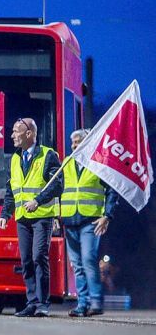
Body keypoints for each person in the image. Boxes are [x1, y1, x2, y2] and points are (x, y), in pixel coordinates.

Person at [0, 117, 62, 317]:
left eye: (16, 131)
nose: (12, 135)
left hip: (42, 215)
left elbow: (57, 185)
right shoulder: (14, 158)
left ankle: (42, 303)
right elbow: (11, 189)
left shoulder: (49, 155)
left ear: (29, 134)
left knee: (38, 257)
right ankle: (32, 302)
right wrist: (5, 213)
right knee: (26, 261)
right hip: (22, 217)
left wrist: (38, 201)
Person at [62, 128, 117, 317]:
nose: (74, 145)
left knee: (88, 260)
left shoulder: (99, 164)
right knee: (77, 265)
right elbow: (58, 190)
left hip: (90, 221)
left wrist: (107, 215)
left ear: (88, 143)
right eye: (73, 142)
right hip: (70, 220)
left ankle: (95, 302)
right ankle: (82, 304)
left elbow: (111, 191)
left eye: (78, 141)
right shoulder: (67, 163)